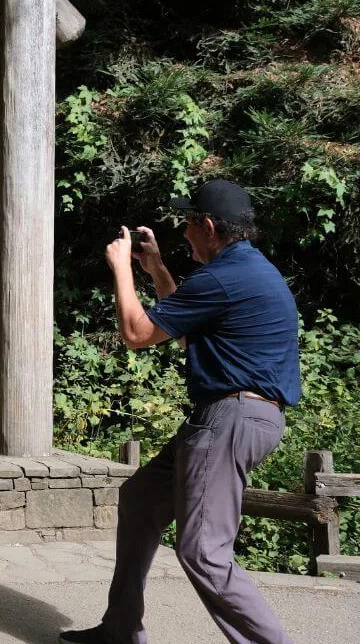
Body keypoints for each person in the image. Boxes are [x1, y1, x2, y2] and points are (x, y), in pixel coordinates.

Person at [61, 179, 300, 644]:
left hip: (230, 418)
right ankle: (120, 629)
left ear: (208, 226)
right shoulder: (245, 272)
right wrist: (153, 267)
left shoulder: (226, 278)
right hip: (236, 416)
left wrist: (121, 269)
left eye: (189, 223)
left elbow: (137, 332)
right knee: (140, 499)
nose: (185, 233)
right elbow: (186, 328)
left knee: (205, 552)